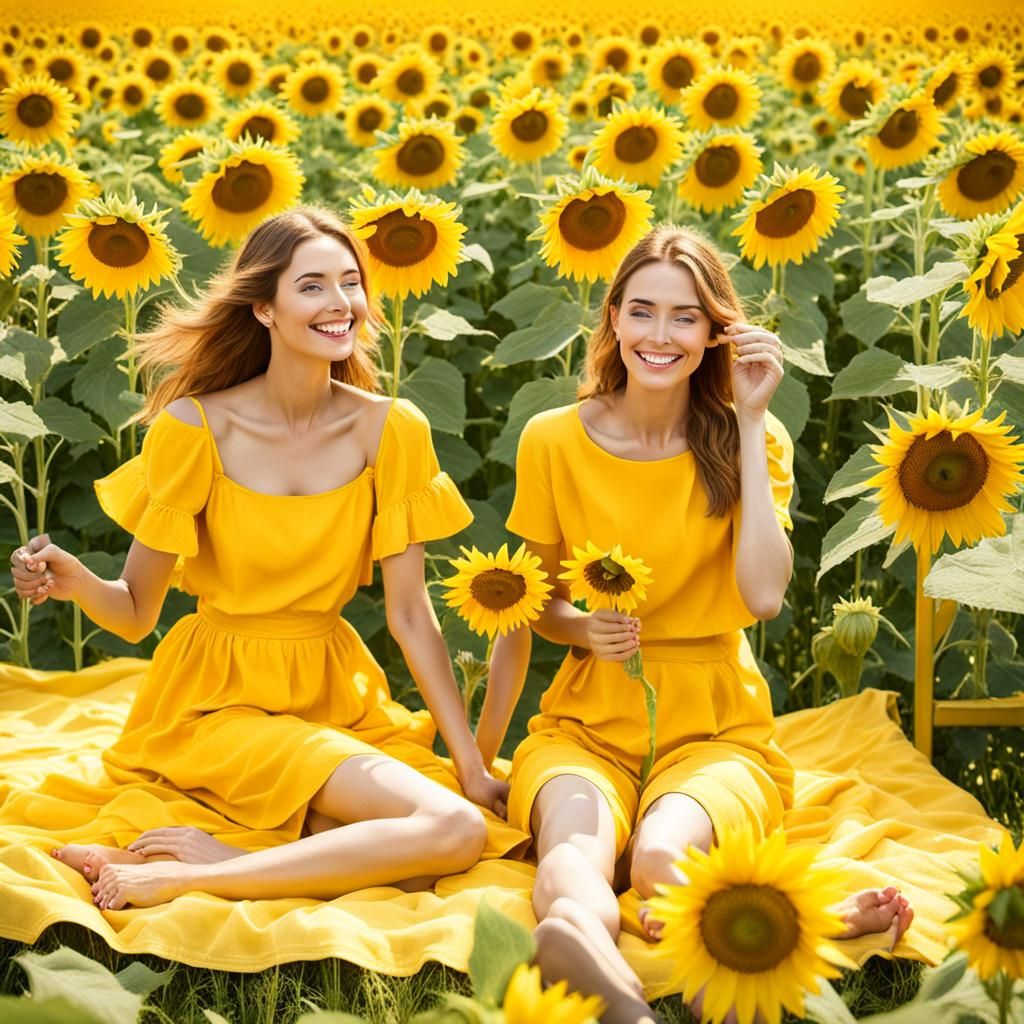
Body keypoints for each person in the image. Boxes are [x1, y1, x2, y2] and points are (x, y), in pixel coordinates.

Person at [8, 205, 525, 913]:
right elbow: (135, 614)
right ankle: (211, 869)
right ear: (263, 308)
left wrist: (469, 764)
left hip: (335, 696)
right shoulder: (195, 427)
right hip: (217, 700)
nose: (340, 302)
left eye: (350, 282)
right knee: (451, 831)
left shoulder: (391, 428)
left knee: (413, 859)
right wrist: (78, 583)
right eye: (312, 286)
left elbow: (410, 614)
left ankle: (233, 854)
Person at [476, 225, 914, 1024]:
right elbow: (529, 607)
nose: (660, 335)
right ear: (613, 317)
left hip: (717, 727)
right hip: (585, 722)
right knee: (573, 850)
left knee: (658, 857)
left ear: (716, 331)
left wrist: (749, 421)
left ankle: (791, 921)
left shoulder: (756, 437)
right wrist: (490, 748)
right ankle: (597, 966)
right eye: (643, 311)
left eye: (685, 317)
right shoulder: (553, 440)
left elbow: (764, 596)